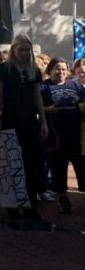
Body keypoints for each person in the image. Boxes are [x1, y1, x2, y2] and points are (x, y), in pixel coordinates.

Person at [0, 34, 49, 220]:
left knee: (31, 162)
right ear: (14, 50)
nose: (24, 53)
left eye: (27, 50)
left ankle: (32, 205)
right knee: (11, 162)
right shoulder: (4, 69)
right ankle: (13, 206)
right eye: (21, 50)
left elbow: (37, 96)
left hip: (30, 119)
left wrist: (43, 121)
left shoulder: (34, 69)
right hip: (10, 117)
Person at [40, 58, 85, 213]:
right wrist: (47, 110)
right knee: (58, 167)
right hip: (55, 135)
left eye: (64, 69)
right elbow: (34, 108)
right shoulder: (44, 87)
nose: (61, 72)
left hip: (76, 134)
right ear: (50, 70)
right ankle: (63, 198)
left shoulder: (75, 85)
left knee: (81, 164)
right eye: (57, 69)